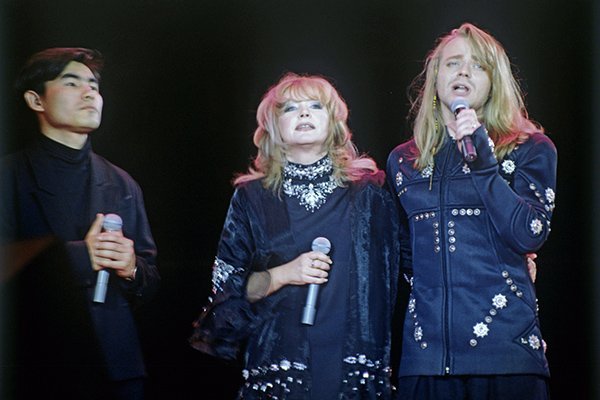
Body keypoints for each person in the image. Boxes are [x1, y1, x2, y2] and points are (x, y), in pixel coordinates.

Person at [189, 73, 402, 399]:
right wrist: (284, 274)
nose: (303, 113)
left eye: (316, 106)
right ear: (273, 127)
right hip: (280, 363)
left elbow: (401, 269)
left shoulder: (369, 194)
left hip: (353, 364)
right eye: (290, 108)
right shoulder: (252, 197)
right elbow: (228, 288)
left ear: (334, 122)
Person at [386, 23, 557, 399]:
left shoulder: (530, 148)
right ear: (436, 77)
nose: (463, 72)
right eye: (453, 63)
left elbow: (529, 234)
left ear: (494, 82)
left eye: (478, 65)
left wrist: (482, 160)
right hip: (426, 360)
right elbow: (404, 254)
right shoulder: (404, 161)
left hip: (506, 356)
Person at [0, 48, 160, 399]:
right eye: (72, 83)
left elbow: (150, 280)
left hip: (117, 367)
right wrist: (78, 257)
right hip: (39, 366)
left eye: (94, 85)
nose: (89, 93)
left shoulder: (122, 183)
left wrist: (131, 268)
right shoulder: (10, 176)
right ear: (36, 100)